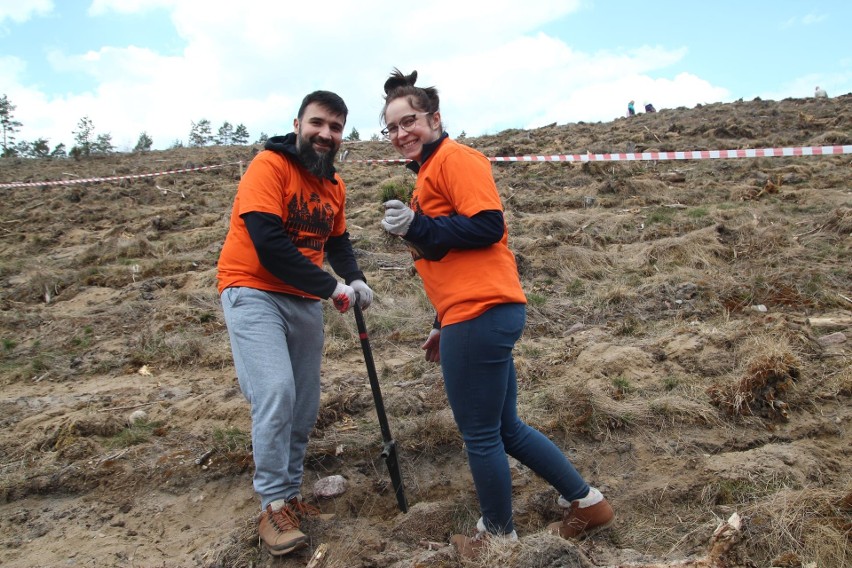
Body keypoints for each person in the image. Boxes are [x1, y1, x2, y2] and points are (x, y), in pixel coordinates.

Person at [378, 69, 614, 560]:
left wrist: (418, 225)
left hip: (480, 313)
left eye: (410, 121)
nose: (402, 134)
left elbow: (487, 227)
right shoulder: (428, 173)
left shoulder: (455, 159)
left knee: (481, 434)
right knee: (506, 428)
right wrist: (442, 322)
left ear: (434, 118)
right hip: (476, 313)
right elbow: (453, 255)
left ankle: (498, 538)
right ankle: (587, 503)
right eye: (392, 127)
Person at [216, 90, 374, 557]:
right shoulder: (269, 167)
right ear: (299, 123)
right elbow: (269, 244)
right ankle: (270, 506)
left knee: (304, 404)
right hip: (253, 289)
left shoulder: (334, 186)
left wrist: (355, 278)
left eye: (336, 128)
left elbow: (338, 241)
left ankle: (289, 496)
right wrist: (332, 288)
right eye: (318, 123)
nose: (326, 134)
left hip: (303, 299)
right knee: (276, 392)